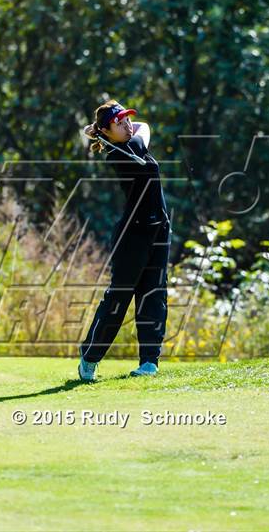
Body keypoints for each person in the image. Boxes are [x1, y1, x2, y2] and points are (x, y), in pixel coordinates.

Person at [78, 99, 171, 381]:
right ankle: (90, 358)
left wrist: (98, 128)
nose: (128, 124)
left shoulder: (125, 141)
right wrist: (98, 130)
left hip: (159, 228)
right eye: (120, 123)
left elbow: (143, 124)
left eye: (127, 119)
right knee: (119, 298)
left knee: (154, 294)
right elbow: (145, 130)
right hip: (134, 235)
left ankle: (149, 363)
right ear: (107, 132)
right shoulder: (123, 153)